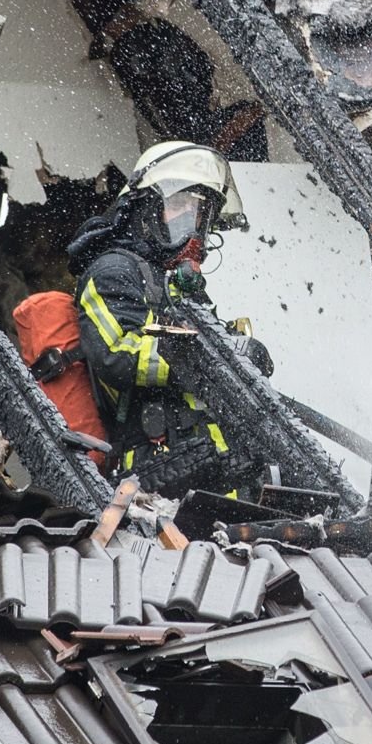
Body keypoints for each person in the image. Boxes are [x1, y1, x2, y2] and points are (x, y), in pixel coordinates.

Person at [70, 141, 262, 489]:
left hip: (208, 462)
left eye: (199, 211)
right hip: (155, 472)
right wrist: (213, 358)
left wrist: (241, 353)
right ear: (145, 209)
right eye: (179, 206)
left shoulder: (176, 283)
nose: (191, 221)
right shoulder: (112, 271)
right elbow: (118, 354)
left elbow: (208, 348)